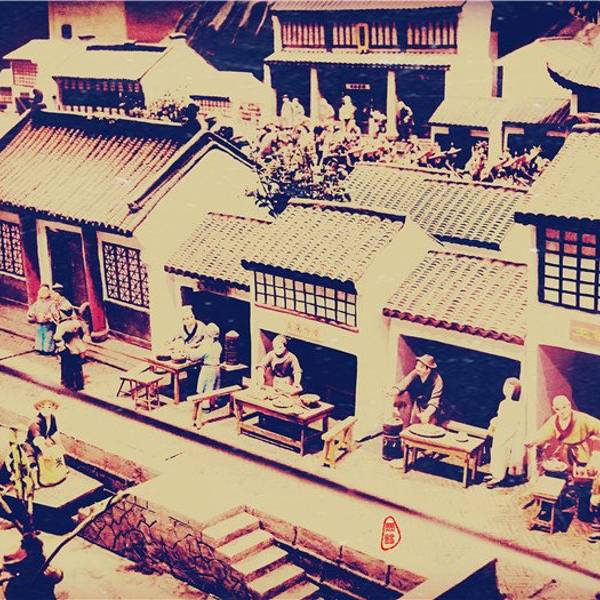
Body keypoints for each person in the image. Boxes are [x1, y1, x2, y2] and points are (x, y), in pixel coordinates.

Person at [525, 395, 600, 467]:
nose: (561, 411)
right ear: (554, 409)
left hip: (584, 451)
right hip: (566, 453)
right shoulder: (554, 420)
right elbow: (543, 433)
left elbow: (597, 426)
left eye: (564, 407)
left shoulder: (581, 418)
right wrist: (533, 440)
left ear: (569, 405)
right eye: (557, 409)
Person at [486, 378, 525, 488]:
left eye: (510, 388)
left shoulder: (516, 406)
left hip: (507, 433)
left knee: (502, 455)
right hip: (500, 431)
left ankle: (499, 476)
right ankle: (494, 473)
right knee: (495, 452)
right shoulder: (503, 403)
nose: (507, 390)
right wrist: (494, 424)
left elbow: (514, 422)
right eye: (506, 387)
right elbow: (500, 417)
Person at [388, 355, 443, 425]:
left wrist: (427, 413)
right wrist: (395, 390)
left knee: (428, 426)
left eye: (421, 367)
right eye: (417, 365)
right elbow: (405, 382)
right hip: (418, 404)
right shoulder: (416, 372)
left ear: (428, 369)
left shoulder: (437, 380)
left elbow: (435, 400)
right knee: (413, 423)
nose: (417, 368)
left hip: (432, 408)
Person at [24, 397, 67, 487]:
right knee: (34, 464)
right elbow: (37, 439)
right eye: (43, 407)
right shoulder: (36, 422)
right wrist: (45, 450)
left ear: (54, 408)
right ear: (39, 408)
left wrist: (60, 446)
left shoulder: (52, 418)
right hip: (32, 445)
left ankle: (59, 471)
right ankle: (35, 482)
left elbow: (54, 433)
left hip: (44, 441)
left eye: (49, 407)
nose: (46, 410)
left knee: (56, 453)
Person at [54, 303, 86, 391]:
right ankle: (79, 384)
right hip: (78, 346)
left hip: (67, 347)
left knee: (67, 366)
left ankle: (69, 383)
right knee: (78, 367)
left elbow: (57, 337)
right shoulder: (76, 323)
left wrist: (61, 346)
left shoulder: (62, 325)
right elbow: (82, 333)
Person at [188, 322, 222, 397]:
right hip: (216, 368)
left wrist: (188, 351)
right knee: (213, 390)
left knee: (205, 391)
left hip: (208, 369)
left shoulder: (206, 344)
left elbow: (194, 357)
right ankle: (211, 403)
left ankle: (205, 404)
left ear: (207, 334)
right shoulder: (217, 344)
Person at [27, 284, 56, 355]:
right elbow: (32, 309)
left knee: (48, 336)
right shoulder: (38, 302)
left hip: (48, 323)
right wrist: (31, 314)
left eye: (45, 291)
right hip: (39, 322)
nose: (43, 292)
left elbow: (54, 312)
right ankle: (38, 348)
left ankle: (47, 350)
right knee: (39, 335)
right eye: (42, 291)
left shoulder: (52, 303)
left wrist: (49, 316)